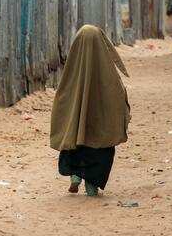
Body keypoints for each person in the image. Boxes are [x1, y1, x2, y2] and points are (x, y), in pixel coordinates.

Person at [50, 25, 131, 196]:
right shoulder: (106, 69)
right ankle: (91, 185)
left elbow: (62, 97)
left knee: (73, 137)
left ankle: (75, 176)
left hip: (76, 134)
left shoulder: (73, 69)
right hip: (99, 134)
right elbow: (117, 95)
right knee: (100, 148)